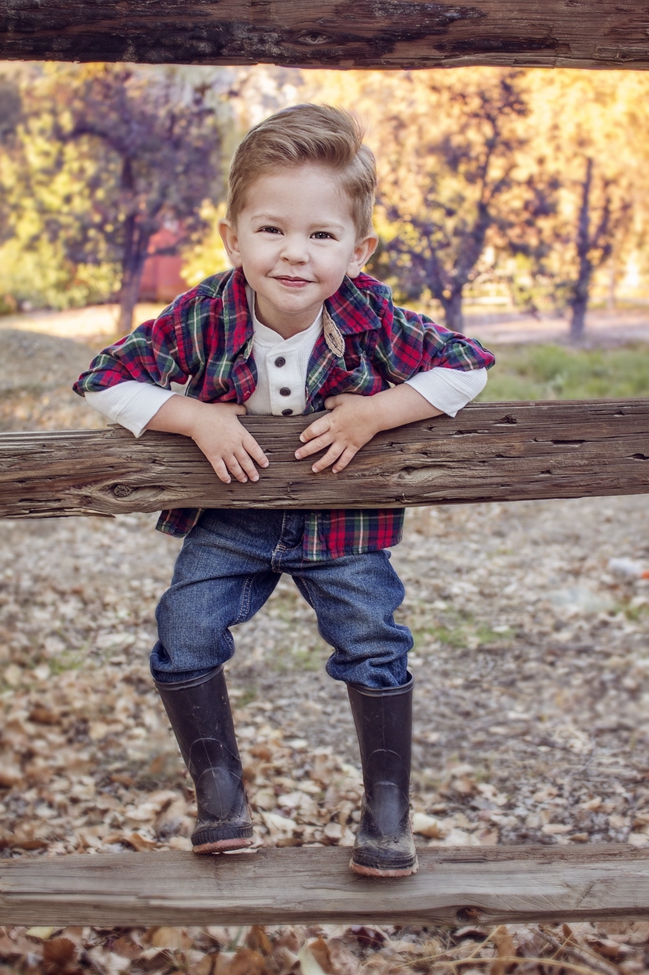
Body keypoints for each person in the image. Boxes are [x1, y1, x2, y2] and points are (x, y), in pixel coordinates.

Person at [74, 104, 495, 878]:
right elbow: (103, 379)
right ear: (232, 237)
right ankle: (222, 798)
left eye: (322, 235)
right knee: (184, 632)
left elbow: (466, 363)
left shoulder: (368, 315)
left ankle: (387, 811)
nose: (294, 254)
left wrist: (376, 412)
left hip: (341, 523)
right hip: (234, 517)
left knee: (375, 642)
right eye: (271, 230)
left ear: (358, 250)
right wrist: (193, 416)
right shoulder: (204, 313)